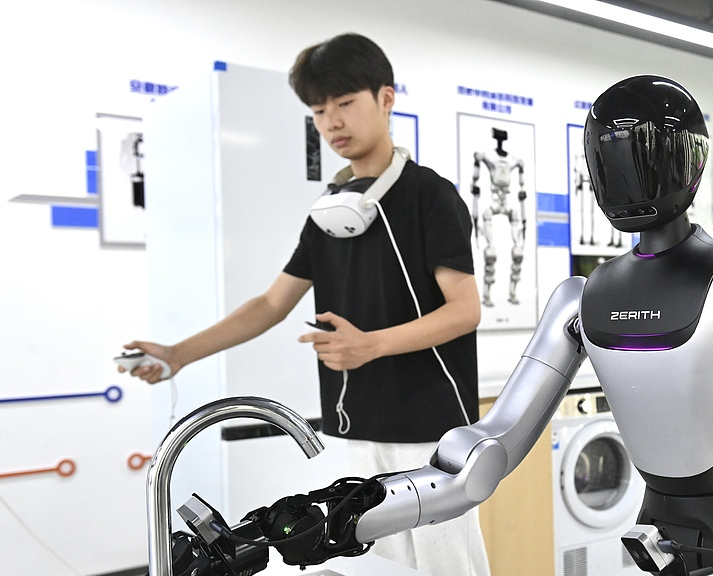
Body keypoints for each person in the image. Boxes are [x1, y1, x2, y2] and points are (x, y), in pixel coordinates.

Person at [121, 33, 490, 576]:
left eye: (345, 103)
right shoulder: (328, 211)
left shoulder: (430, 196)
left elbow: (464, 309)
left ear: (386, 99)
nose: (332, 121)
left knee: (447, 566)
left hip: (429, 430)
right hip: (361, 425)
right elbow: (271, 303)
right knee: (381, 568)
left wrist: (371, 345)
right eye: (319, 111)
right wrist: (178, 354)